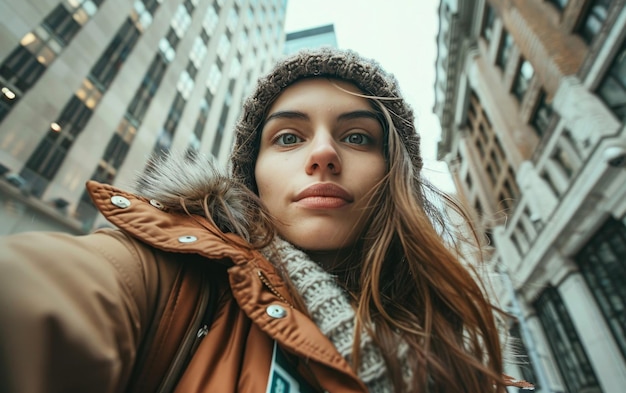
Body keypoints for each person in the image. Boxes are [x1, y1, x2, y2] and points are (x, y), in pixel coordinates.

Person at [0, 48, 533, 393]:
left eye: (356, 136)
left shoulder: (472, 360)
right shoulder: (168, 280)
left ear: (393, 175)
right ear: (253, 175)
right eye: (288, 137)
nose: (323, 154)